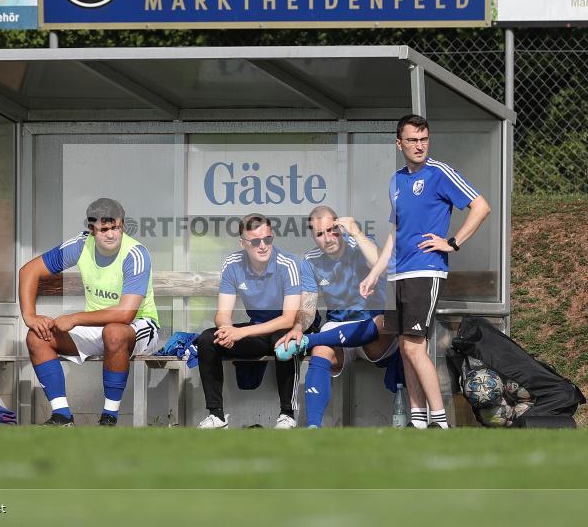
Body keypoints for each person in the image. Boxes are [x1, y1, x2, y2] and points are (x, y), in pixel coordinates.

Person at [361, 114, 491, 429]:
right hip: (397, 274)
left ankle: (439, 420)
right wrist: (375, 271)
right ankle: (417, 420)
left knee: (412, 345)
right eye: (412, 140)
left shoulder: (439, 172)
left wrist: (453, 243)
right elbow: (395, 232)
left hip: (425, 269)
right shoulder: (396, 180)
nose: (419, 146)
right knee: (404, 348)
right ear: (399, 143)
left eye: (424, 139)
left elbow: (481, 206)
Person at [18, 198, 159, 426]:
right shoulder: (81, 245)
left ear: (123, 224)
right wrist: (29, 316)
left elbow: (125, 314)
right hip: (99, 327)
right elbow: (28, 271)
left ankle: (109, 418)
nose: (112, 234)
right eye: (104, 229)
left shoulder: (136, 253)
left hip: (139, 327)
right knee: (37, 337)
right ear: (91, 229)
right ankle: (62, 415)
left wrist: (74, 319)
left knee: (114, 332)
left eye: (116, 227)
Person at [275, 206, 398, 428]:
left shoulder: (360, 243)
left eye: (332, 230)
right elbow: (308, 306)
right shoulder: (310, 261)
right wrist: (297, 328)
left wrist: (357, 233)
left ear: (340, 227)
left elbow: (382, 266)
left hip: (372, 332)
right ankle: (313, 427)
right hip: (338, 332)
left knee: (385, 321)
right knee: (320, 351)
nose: (327, 238)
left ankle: (309, 342)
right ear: (313, 236)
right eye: (319, 234)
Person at [196, 213, 302, 429]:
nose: (262, 246)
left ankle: (287, 415)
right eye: (255, 241)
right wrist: (226, 330)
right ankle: (217, 415)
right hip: (258, 329)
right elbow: (222, 313)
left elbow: (288, 318)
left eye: (268, 239)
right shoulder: (232, 263)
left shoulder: (287, 263)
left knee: (285, 342)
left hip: (286, 328)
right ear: (242, 243)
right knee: (208, 339)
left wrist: (241, 332)